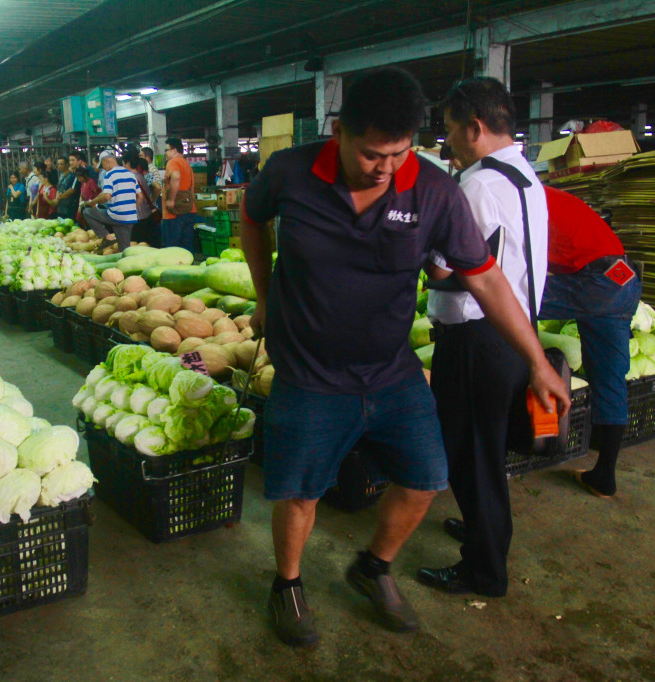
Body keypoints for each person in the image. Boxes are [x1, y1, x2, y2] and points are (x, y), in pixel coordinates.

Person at [240, 67, 569, 648]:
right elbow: (252, 217)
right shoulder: (290, 172)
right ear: (339, 130)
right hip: (310, 374)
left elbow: (487, 279)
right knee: (300, 494)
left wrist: (539, 362)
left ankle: (371, 568)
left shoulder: (434, 190)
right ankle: (286, 584)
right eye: (371, 153)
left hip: (390, 373)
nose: (385, 168)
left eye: (398, 153)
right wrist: (265, 295)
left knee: (426, 478)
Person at [416, 76, 555, 600]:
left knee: (469, 454)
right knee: (486, 451)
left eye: (451, 130)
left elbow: (451, 270)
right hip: (514, 335)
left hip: (477, 338)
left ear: (474, 128)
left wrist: (422, 255)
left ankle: (483, 570)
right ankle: (484, 531)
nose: (447, 142)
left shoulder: (474, 186)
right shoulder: (525, 175)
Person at [537, 186, 640, 498]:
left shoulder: (516, 198)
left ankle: (525, 434)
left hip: (595, 282)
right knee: (610, 380)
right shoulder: (545, 194)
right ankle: (604, 477)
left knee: (502, 302)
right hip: (623, 280)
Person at [81, 150, 140, 251]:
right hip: (130, 217)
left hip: (116, 215)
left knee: (87, 212)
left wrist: (93, 202)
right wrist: (131, 209)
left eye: (102, 165)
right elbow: (140, 196)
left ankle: (107, 237)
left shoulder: (110, 174)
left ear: (107, 161)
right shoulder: (130, 174)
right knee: (124, 248)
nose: (103, 168)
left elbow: (107, 196)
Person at [161, 137, 198, 252]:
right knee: (186, 248)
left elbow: (176, 177)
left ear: (174, 150)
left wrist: (171, 200)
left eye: (166, 150)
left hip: (174, 213)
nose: (165, 154)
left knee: (172, 249)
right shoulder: (186, 164)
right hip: (188, 209)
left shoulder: (173, 162)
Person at [125, 153, 159, 245]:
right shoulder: (140, 176)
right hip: (146, 215)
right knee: (145, 243)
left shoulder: (131, 177)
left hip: (138, 217)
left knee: (137, 244)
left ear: (127, 164)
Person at [54, 156, 80, 221]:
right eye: (58, 164)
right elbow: (58, 188)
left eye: (61, 164)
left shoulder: (72, 176)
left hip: (69, 205)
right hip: (61, 205)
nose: (59, 166)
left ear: (67, 164)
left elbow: (72, 190)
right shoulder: (61, 175)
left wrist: (60, 197)